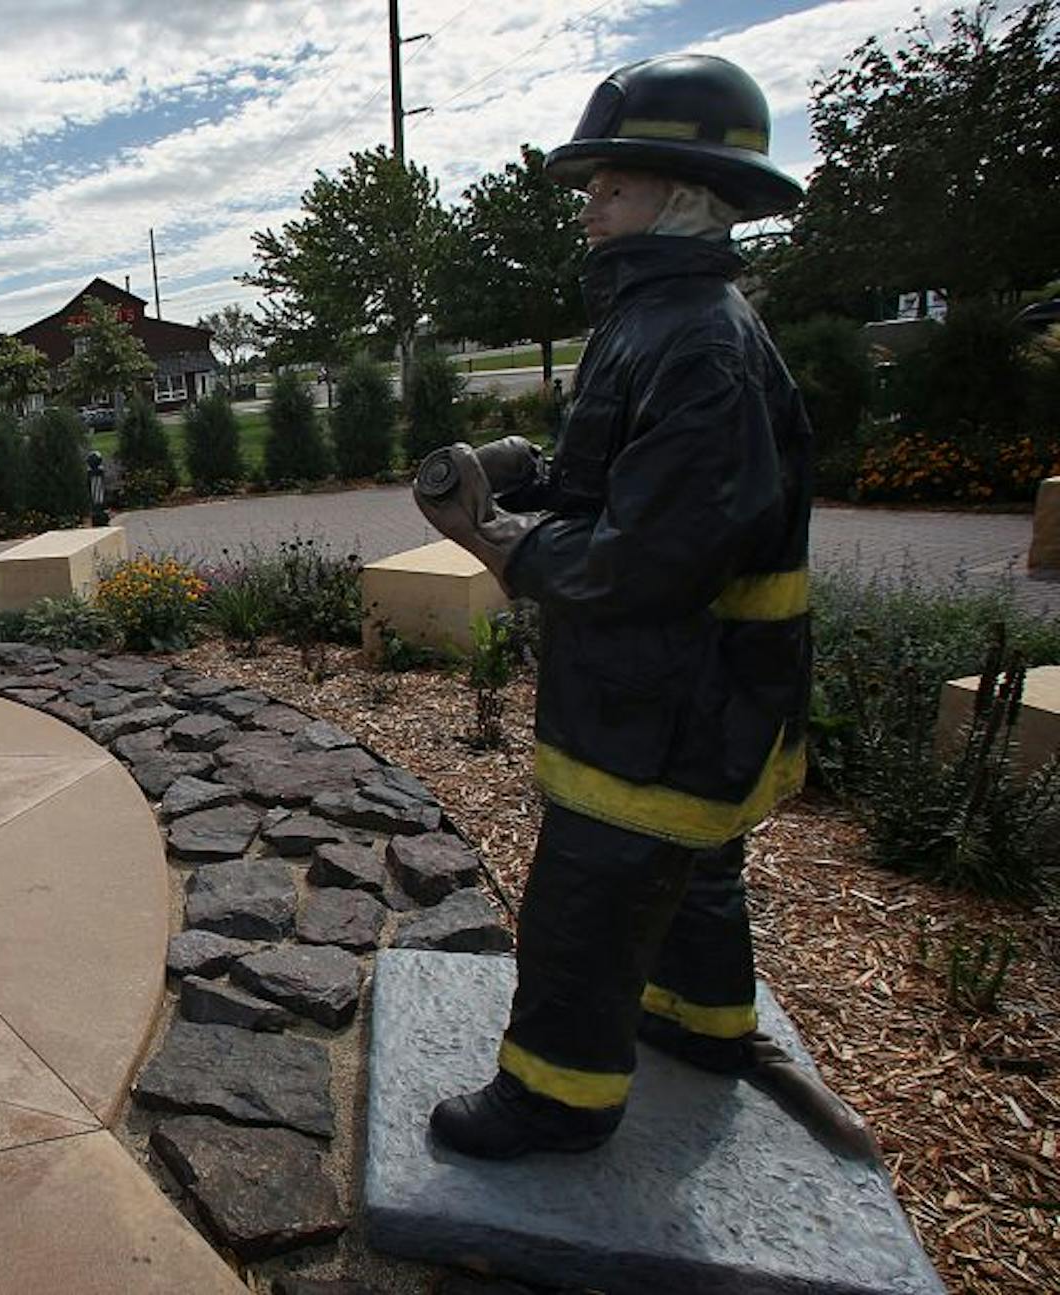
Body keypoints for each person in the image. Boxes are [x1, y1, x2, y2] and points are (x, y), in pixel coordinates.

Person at [411, 53, 873, 1160]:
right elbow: (632, 480)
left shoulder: (696, 341)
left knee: (595, 884)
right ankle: (699, 1022)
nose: (588, 210)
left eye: (610, 188)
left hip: (669, 690)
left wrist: (496, 536)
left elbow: (650, 558)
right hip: (694, 690)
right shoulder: (665, 319)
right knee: (692, 860)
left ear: (681, 197)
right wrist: (531, 474)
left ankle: (556, 1097)